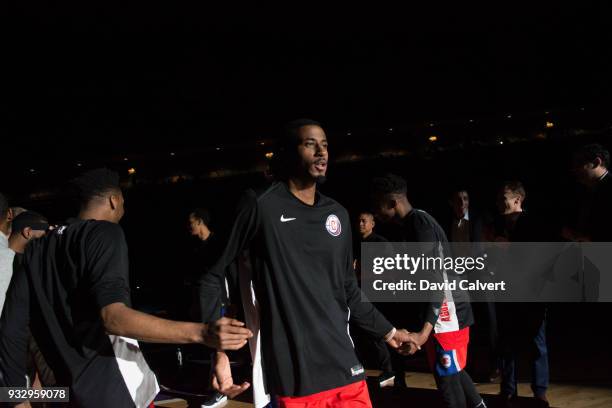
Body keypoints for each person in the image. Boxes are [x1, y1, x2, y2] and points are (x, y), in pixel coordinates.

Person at [199, 120, 415, 408]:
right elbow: (210, 274)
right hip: (296, 377)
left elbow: (349, 290)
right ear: (288, 153)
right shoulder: (259, 205)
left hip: (345, 367)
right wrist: (218, 350)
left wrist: (389, 332)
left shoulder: (336, 214)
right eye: (310, 144)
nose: (321, 152)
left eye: (325, 145)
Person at [0, 168, 252, 408]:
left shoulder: (35, 250)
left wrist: (16, 397)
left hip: (64, 393)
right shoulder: (104, 232)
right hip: (113, 390)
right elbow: (113, 318)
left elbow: (11, 328)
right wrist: (203, 333)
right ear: (114, 200)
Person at [370, 173, 486, 408]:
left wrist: (422, 333)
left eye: (378, 204)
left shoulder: (419, 224)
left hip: (447, 311)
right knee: (454, 373)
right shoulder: (417, 222)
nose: (375, 211)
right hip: (446, 309)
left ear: (393, 202)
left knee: (448, 385)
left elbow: (434, 280)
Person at [492, 181, 549, 407]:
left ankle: (540, 392)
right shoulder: (497, 223)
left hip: (532, 292)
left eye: (503, 197)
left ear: (518, 199)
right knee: (506, 343)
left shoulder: (535, 223)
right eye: (498, 198)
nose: (499, 202)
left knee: (537, 343)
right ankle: (507, 390)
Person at [353, 211, 395, 387]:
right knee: (360, 333)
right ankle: (360, 368)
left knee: (378, 332)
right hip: (360, 295)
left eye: (364, 221)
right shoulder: (356, 244)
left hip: (378, 295)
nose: (361, 224)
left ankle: (389, 371)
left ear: (372, 223)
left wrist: (362, 273)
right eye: (359, 221)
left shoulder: (380, 243)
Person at [564, 143, 612, 242]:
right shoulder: (583, 188)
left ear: (596, 162)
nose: (574, 169)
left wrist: (592, 239)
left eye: (579, 164)